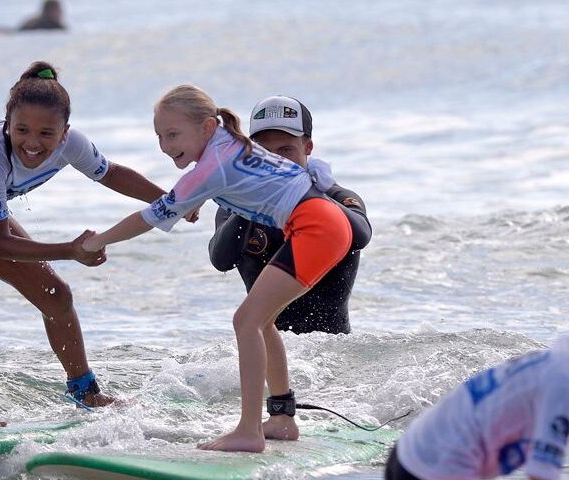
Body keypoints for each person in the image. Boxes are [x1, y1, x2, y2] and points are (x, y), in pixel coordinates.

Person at [0, 61, 193, 430]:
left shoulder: (74, 145)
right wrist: (70, 249)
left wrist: (169, 199)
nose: (32, 143)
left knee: (56, 294)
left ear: (64, 133)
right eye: (21, 130)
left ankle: (85, 392)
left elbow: (111, 173)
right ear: (7, 124)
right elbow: (1, 243)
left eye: (45, 133)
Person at [81, 84, 355, 452]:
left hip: (316, 226)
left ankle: (248, 432)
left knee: (246, 321)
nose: (164, 145)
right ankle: (281, 419)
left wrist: (98, 241)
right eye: (159, 136)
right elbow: (238, 182)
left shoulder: (211, 166)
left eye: (173, 134)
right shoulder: (227, 141)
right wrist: (193, 198)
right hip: (322, 223)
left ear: (208, 127)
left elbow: (148, 217)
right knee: (262, 321)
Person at [207, 96, 371, 334]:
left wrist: (307, 193)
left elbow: (361, 236)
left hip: (334, 351)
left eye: (285, 150)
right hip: (269, 348)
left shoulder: (335, 197)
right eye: (265, 151)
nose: (276, 162)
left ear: (308, 147)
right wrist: (251, 204)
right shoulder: (236, 205)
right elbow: (221, 260)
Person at [386, 335, 569, 480]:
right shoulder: (562, 381)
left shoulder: (556, 360)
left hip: (410, 452)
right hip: (431, 466)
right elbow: (541, 474)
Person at [0, 0, 66, 34]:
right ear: (50, 11)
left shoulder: (36, 20)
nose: (61, 12)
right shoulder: (50, 24)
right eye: (58, 9)